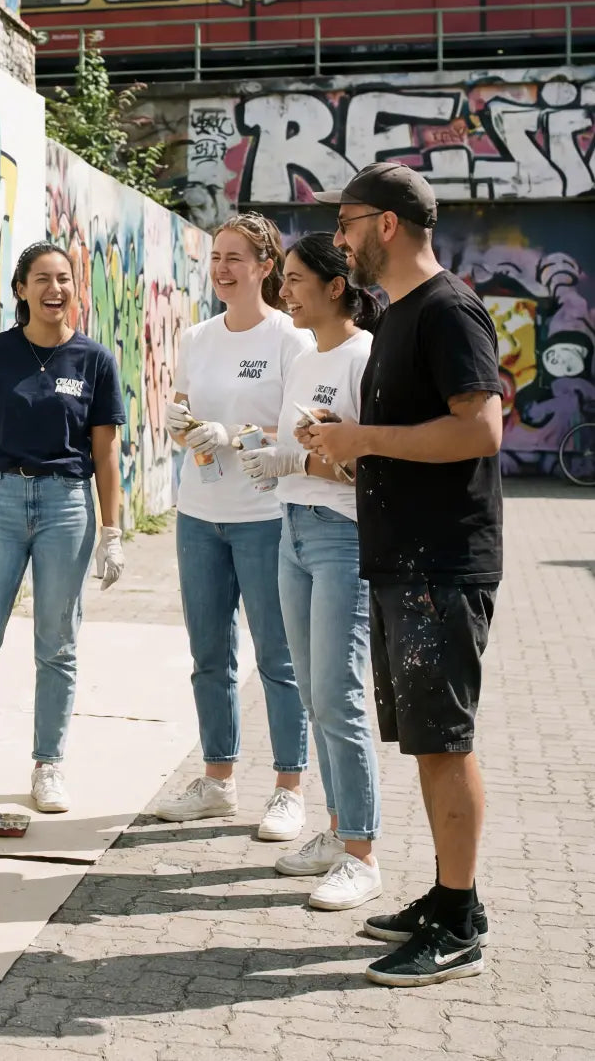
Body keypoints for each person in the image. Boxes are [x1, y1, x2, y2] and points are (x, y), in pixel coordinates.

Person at [306, 162, 502, 987]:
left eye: (347, 222)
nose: (339, 239)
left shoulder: (448, 310)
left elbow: (482, 431)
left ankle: (457, 923)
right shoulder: (398, 318)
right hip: (403, 561)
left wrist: (366, 442)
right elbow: (406, 440)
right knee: (424, 744)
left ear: (386, 224)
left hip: (440, 565)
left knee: (444, 744)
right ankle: (449, 897)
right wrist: (342, 448)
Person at [0, 241, 126, 814]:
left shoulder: (94, 361)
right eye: (42, 279)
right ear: (20, 289)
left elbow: (106, 456)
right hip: (1, 504)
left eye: (63, 279)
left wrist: (114, 532)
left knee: (56, 645)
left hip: (67, 507)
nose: (54, 289)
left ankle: (48, 765)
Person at [152, 213, 313, 841]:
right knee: (209, 657)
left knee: (279, 658)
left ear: (265, 267)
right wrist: (180, 423)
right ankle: (217, 781)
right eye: (216, 256)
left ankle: (288, 787)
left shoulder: (289, 340)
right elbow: (188, 406)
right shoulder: (197, 338)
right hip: (199, 515)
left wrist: (240, 435)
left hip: (266, 518)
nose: (221, 268)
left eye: (235, 258)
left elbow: (305, 434)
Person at [239, 232, 383, 911]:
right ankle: (334, 832)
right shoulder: (306, 356)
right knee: (314, 695)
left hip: (342, 538)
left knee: (339, 694)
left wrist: (297, 461)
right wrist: (262, 451)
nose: (284, 291)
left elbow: (366, 466)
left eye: (295, 279)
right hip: (292, 532)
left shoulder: (366, 357)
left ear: (334, 285)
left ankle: (361, 852)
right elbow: (302, 440)